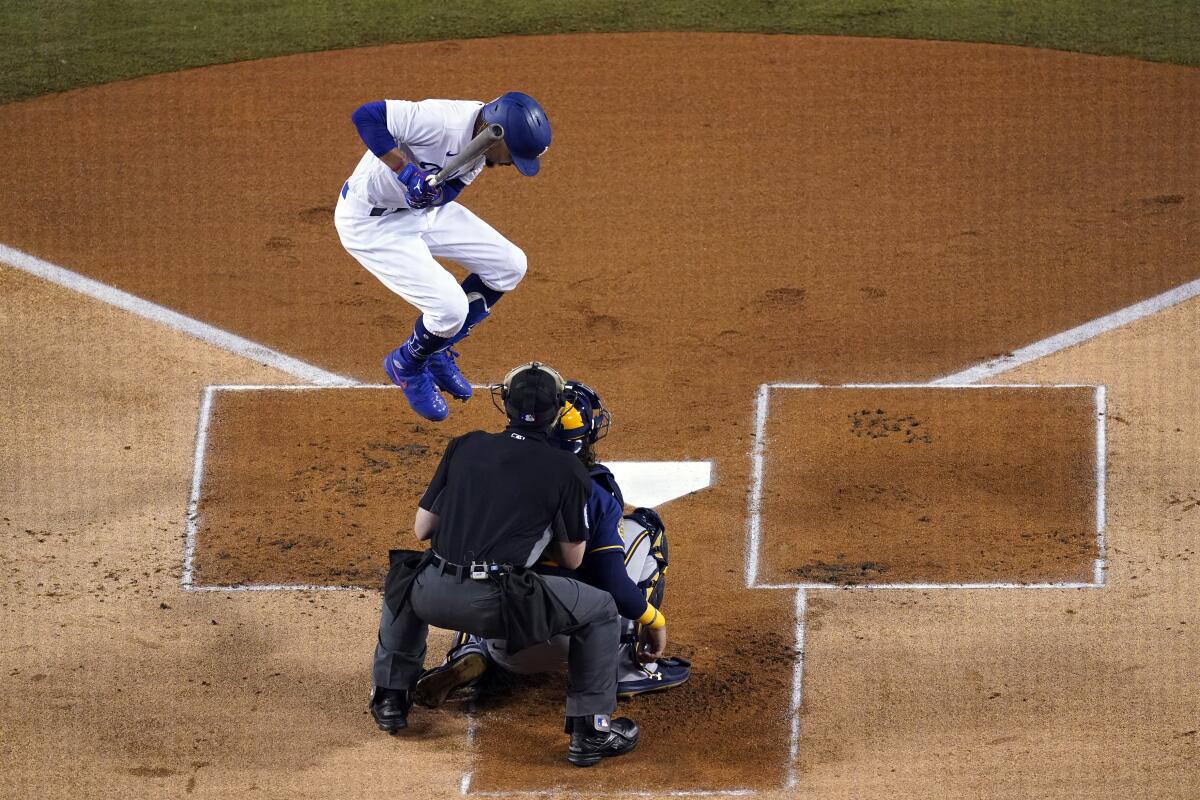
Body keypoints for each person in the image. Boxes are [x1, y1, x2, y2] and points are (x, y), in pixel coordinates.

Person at [368, 362, 640, 767]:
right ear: (555, 413)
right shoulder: (567, 470)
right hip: (503, 605)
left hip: (435, 593)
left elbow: (422, 529)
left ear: (506, 405)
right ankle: (590, 731)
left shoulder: (465, 444)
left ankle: (390, 698)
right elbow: (573, 558)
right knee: (600, 610)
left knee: (404, 577)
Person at [413, 380, 690, 708]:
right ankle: (628, 663)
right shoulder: (594, 490)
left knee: (480, 567)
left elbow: (425, 529)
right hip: (573, 636)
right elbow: (612, 582)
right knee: (645, 529)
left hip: (501, 633)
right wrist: (655, 621)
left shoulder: (495, 474)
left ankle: (470, 651)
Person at [334, 93, 551, 421]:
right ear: (498, 131)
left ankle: (435, 348)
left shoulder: (482, 148)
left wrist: (429, 197)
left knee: (509, 266)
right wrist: (405, 173)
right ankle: (406, 364)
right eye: (513, 155)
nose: (510, 164)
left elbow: (449, 192)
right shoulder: (439, 120)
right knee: (450, 309)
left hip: (419, 214)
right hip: (371, 222)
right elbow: (365, 116)